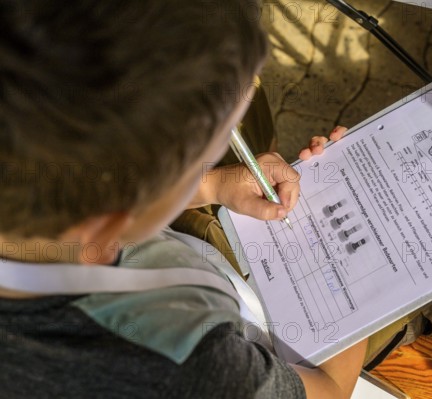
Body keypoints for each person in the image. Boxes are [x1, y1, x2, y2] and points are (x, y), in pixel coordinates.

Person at [0, 1, 368, 397]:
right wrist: (359, 270)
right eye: (218, 145)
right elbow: (328, 390)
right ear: (113, 227)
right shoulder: (183, 367)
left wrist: (213, 186)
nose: (232, 150)